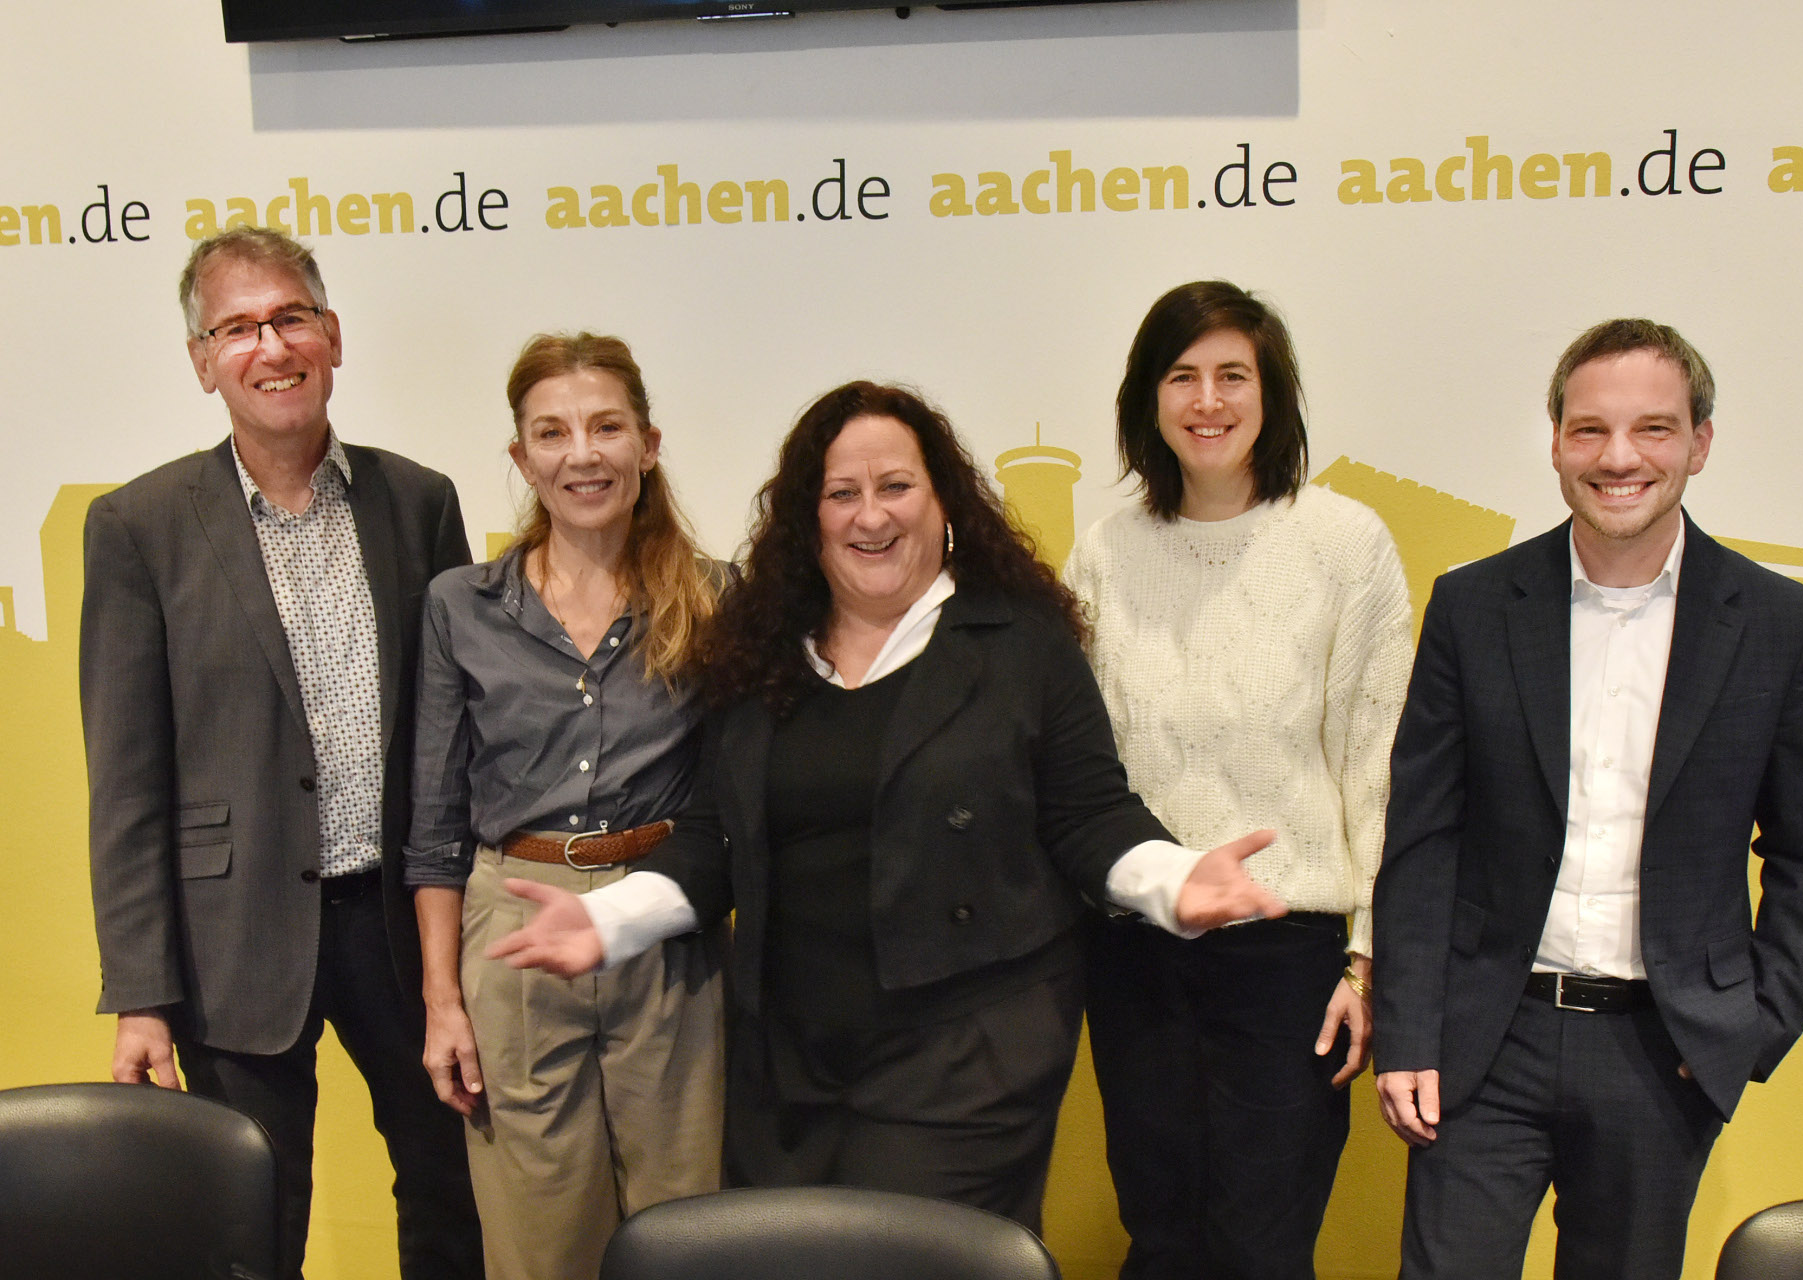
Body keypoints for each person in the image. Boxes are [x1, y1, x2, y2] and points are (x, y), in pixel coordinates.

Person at [488, 379, 1288, 1233]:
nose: (871, 516)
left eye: (896, 487)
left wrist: (1174, 881)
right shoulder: (760, 654)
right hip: (788, 1060)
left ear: (944, 500)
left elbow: (1088, 813)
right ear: (810, 517)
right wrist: (610, 921)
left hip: (967, 1051)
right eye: (843, 494)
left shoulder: (1020, 643)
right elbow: (719, 836)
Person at [1372, 318, 1803, 1280]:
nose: (1618, 457)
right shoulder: (1473, 605)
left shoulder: (1781, 623)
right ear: (1554, 441)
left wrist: (1750, 1025)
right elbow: (1424, 838)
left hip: (1662, 1051)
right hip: (1482, 1044)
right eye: (1589, 430)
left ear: (1700, 443)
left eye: (1654, 429)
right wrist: (1409, 1029)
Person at [79, 227, 483, 1280]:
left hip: (407, 926)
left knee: (455, 1196)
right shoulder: (138, 526)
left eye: (291, 316)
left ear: (333, 336)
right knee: (248, 1223)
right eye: (239, 326)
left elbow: (461, 735)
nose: (272, 345)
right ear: (204, 359)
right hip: (234, 939)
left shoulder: (421, 500)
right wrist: (141, 989)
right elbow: (127, 784)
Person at [1062, 280, 1414, 1280]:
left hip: (1287, 954)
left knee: (1262, 1245)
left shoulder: (1347, 545)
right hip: (1138, 946)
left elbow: (1376, 766)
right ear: (1149, 398)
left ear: (1273, 395)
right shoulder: (1106, 548)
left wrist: (1365, 957)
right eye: (1182, 375)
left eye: (1232, 375)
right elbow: (1079, 768)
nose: (1207, 400)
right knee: (1161, 1233)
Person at [404, 332, 727, 1279]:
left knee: (685, 1231)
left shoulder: (713, 598)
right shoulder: (460, 606)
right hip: (512, 931)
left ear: (648, 444)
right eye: (552, 433)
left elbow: (730, 812)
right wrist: (442, 1001)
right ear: (521, 459)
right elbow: (433, 829)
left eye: (605, 427)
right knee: (539, 1243)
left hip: (666, 930)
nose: (581, 453)